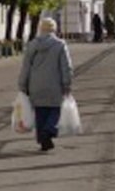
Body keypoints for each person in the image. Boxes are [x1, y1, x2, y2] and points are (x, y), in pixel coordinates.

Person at [19, 17, 74, 152]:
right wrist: (67, 83)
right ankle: (48, 130)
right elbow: (66, 67)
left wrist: (22, 84)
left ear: (40, 29)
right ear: (54, 29)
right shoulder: (60, 45)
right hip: (55, 84)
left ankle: (43, 142)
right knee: (55, 110)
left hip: (35, 85)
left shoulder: (32, 45)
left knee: (40, 112)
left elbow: (26, 67)